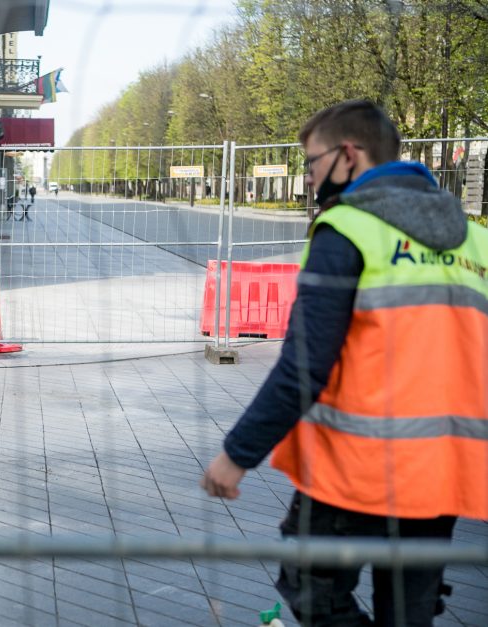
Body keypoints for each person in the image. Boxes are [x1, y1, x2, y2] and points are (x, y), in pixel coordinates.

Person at [200, 100, 487, 626]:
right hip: (439, 475)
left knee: (312, 590)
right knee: (408, 614)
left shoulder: (348, 230)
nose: (308, 178)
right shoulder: (477, 242)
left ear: (348, 154)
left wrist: (237, 454)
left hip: (355, 470)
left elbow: (303, 367)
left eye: (312, 162)